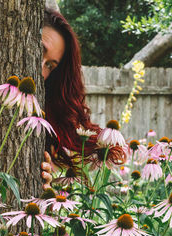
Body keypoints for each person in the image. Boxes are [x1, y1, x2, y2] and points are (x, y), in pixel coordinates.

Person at [40, 9, 125, 187]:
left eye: (49, 65)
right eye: (40, 51)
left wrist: (44, 184)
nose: (40, 71)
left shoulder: (44, 121)